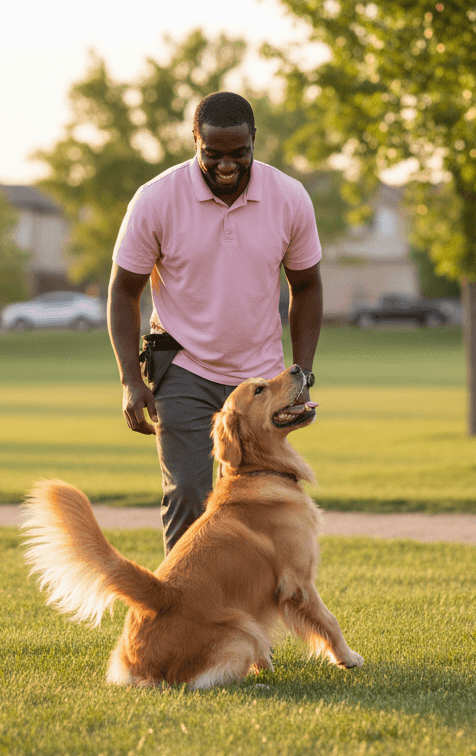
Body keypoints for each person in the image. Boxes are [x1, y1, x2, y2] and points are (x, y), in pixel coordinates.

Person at [107, 91, 324, 554]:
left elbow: (306, 286)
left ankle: (242, 618)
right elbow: (124, 290)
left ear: (254, 143)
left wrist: (301, 374)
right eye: (213, 154)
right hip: (184, 368)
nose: (227, 165)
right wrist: (130, 379)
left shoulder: (288, 197)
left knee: (261, 502)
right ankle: (184, 620)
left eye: (239, 153)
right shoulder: (157, 199)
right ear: (195, 141)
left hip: (259, 378)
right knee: (188, 496)